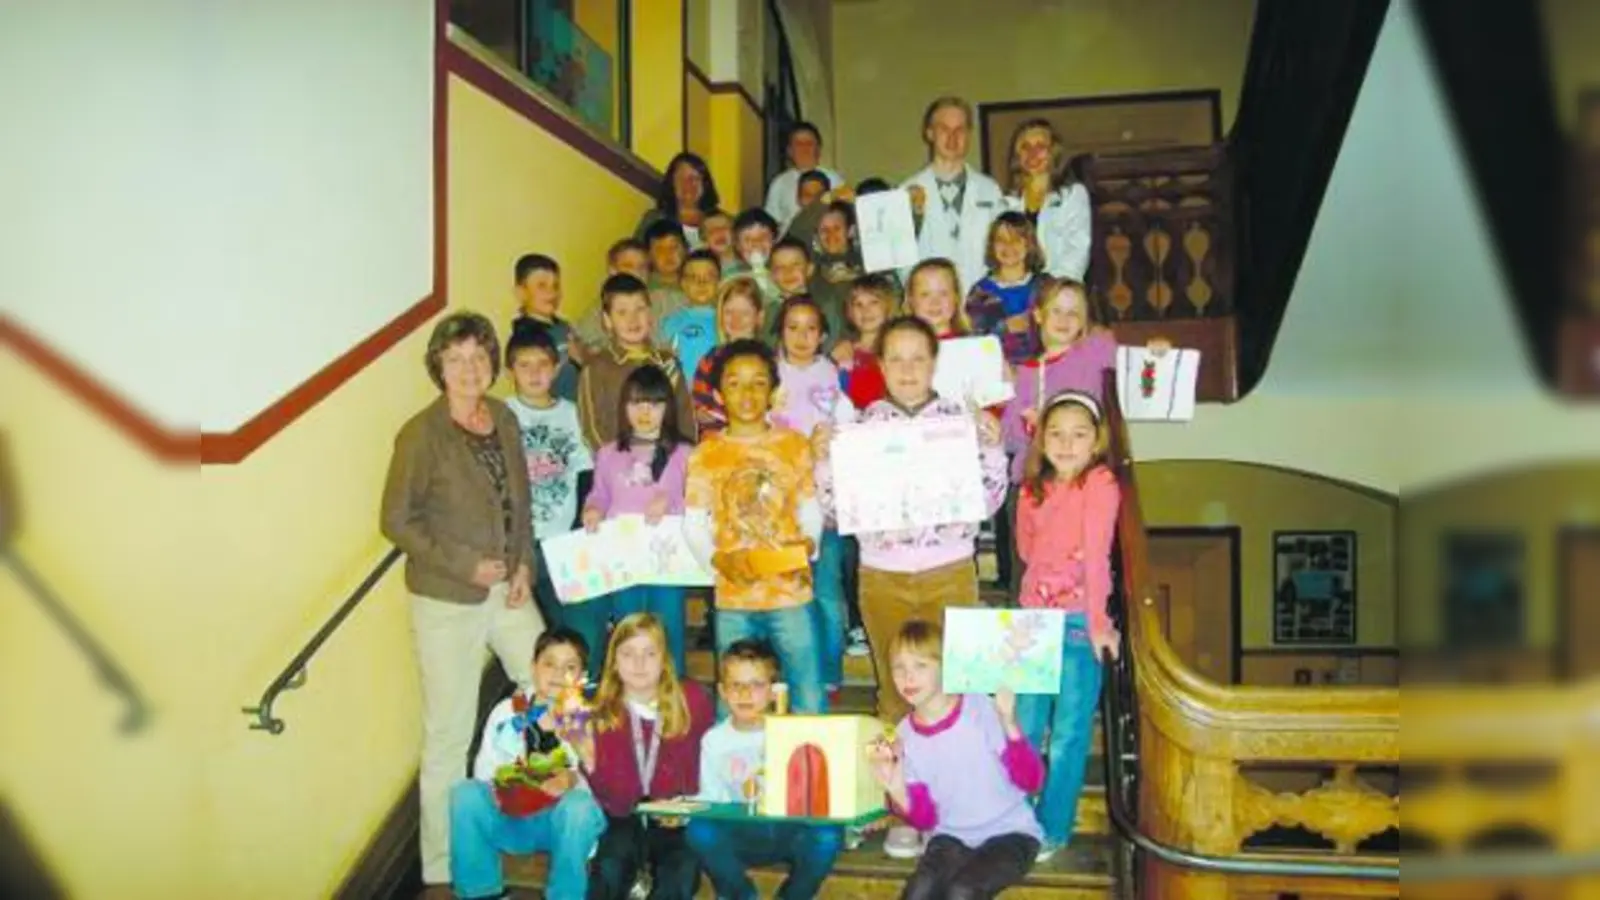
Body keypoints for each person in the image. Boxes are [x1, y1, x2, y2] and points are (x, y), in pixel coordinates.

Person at [379, 312, 543, 888]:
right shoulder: (420, 434)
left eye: (479, 357)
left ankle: (539, 812)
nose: (471, 369)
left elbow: (520, 501)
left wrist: (522, 562)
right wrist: (465, 563)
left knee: (553, 692)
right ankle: (444, 867)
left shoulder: (501, 416)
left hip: (509, 588)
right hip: (447, 598)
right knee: (448, 734)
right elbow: (396, 521)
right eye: (457, 359)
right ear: (439, 367)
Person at [813, 316, 1007, 725]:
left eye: (918, 358)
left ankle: (960, 782)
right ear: (880, 365)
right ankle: (898, 786)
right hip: (883, 577)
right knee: (897, 689)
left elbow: (987, 502)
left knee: (962, 685)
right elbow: (835, 510)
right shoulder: (859, 429)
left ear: (935, 363)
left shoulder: (960, 422)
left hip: (951, 571)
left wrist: (992, 449)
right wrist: (823, 460)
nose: (907, 369)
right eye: (896, 359)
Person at [684, 339, 827, 714]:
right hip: (734, 597)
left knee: (807, 692)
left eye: (758, 382)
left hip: (790, 593)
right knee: (734, 703)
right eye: (734, 383)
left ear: (773, 391)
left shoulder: (793, 444)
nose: (746, 393)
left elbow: (810, 508)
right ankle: (734, 771)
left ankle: (810, 770)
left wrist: (809, 545)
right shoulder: (706, 454)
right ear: (718, 393)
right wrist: (719, 561)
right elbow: (694, 525)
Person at [999, 278, 1167, 596]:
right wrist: (1027, 426)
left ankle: (1088, 629)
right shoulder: (1023, 374)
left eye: (1074, 313)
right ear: (1037, 315)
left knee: (1083, 568)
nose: (1064, 320)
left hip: (1081, 483)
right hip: (1033, 486)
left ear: (1085, 321)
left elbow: (1138, 369)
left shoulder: (1093, 351)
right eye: (1056, 311)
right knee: (1029, 574)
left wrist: (1154, 351)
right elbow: (1008, 439)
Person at [1013, 390, 1121, 861]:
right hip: (1032, 622)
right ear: (1040, 438)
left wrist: (1099, 623)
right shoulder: (1031, 488)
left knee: (1069, 737)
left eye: (1079, 434)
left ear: (1096, 440)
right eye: (1055, 432)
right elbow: (1024, 550)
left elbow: (1097, 557)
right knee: (1025, 726)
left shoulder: (1100, 483)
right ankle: (1016, 820)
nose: (1066, 443)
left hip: (1078, 624)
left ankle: (1052, 828)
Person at [866, 619, 1043, 888]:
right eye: (899, 668)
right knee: (917, 892)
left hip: (1010, 831)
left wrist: (1009, 724)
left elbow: (1031, 781)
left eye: (920, 666)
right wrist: (896, 788)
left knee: (962, 892)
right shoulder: (902, 736)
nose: (908, 678)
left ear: (944, 667)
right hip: (950, 836)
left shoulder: (979, 707)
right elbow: (926, 819)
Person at [448, 629, 606, 900]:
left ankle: (565, 895)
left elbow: (602, 788)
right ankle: (481, 892)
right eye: (549, 663)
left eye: (570, 667)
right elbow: (483, 772)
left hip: (559, 824)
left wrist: (571, 778)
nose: (558, 674)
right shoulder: (507, 712)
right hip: (510, 815)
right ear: (533, 668)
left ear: (581, 677)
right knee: (465, 794)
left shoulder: (588, 719)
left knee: (579, 808)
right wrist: (506, 785)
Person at [684, 639, 845, 900]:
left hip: (787, 831)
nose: (745, 694)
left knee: (828, 835)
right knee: (698, 830)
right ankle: (740, 894)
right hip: (741, 833)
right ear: (722, 692)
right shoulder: (714, 740)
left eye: (756, 685)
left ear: (774, 691)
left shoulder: (795, 732)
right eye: (736, 685)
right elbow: (711, 798)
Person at [570, 365, 693, 681]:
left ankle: (671, 703)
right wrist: (593, 511)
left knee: (667, 632)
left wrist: (672, 502)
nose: (644, 412)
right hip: (623, 561)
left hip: (667, 561)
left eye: (654, 403)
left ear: (668, 407)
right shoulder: (609, 453)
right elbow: (599, 495)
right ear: (624, 406)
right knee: (628, 630)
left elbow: (696, 503)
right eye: (636, 403)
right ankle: (629, 700)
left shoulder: (684, 453)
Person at [578, 613, 714, 900]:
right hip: (623, 814)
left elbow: (705, 768)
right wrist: (590, 762)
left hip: (675, 817)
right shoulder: (602, 712)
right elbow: (615, 801)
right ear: (613, 661)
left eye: (649, 653)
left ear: (664, 659)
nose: (639, 664)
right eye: (628, 654)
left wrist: (685, 807)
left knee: (681, 871)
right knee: (610, 867)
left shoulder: (692, 699)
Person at [770, 297, 854, 705]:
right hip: (779, 510)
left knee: (825, 593)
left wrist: (832, 441)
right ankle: (793, 673)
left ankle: (830, 673)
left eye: (810, 328)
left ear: (823, 335)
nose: (801, 337)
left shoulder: (836, 376)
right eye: (792, 327)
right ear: (780, 332)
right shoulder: (769, 377)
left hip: (825, 506)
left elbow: (855, 430)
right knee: (788, 595)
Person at [505, 326, 593, 630]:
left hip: (562, 538)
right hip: (520, 543)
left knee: (569, 625)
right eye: (524, 365)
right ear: (510, 371)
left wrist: (579, 526)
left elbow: (585, 471)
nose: (534, 373)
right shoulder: (503, 414)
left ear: (556, 368)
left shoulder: (572, 413)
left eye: (543, 364)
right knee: (530, 628)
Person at [576, 274, 696, 450]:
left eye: (640, 309)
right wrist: (619, 465)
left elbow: (685, 418)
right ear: (607, 320)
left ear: (650, 314)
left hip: (668, 465)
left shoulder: (668, 363)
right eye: (622, 312)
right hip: (619, 469)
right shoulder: (596, 368)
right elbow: (593, 429)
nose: (633, 319)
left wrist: (684, 459)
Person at [902, 96, 1004, 294]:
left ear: (969, 134)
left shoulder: (989, 190)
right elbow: (900, 261)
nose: (952, 137)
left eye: (960, 129)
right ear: (929, 133)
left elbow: (1001, 252)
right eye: (943, 129)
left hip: (981, 302)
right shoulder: (907, 191)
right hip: (929, 304)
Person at [1000, 118, 1092, 280]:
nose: (1032, 154)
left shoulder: (1072, 195)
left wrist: (1050, 292)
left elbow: (1077, 252)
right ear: (1017, 155)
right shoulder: (1005, 203)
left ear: (1053, 152)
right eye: (1025, 147)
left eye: (1040, 147)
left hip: (1059, 293)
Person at [965, 212, 1048, 364]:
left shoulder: (1046, 287)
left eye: (1016, 239)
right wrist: (1004, 327)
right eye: (1001, 240)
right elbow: (971, 340)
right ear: (992, 246)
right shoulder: (980, 292)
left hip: (1042, 371)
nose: (1008, 246)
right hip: (995, 372)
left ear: (1029, 244)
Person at [690, 277, 766, 436]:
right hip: (717, 443)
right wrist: (700, 413)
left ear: (759, 317)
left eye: (744, 313)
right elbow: (699, 404)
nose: (736, 319)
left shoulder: (769, 361)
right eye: (729, 312)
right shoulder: (709, 360)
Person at [509, 253, 582, 399]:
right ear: (521, 293)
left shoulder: (565, 326)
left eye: (555, 286)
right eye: (542, 286)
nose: (551, 292)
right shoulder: (525, 337)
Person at [831, 273, 896, 413]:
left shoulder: (899, 349)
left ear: (888, 306)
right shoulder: (843, 352)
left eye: (874, 302)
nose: (866, 310)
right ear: (849, 312)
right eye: (858, 304)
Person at [764, 121, 844, 230]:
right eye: (798, 144)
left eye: (809, 144)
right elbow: (771, 223)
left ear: (818, 149)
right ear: (789, 151)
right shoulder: (779, 183)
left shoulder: (834, 179)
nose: (804, 149)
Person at [575, 239, 652, 350]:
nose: (637, 273)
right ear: (612, 271)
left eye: (642, 267)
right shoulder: (594, 317)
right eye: (629, 266)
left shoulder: (667, 300)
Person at [636, 151, 723, 249]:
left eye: (694, 178)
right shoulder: (654, 220)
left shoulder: (722, 221)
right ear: (671, 183)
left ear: (705, 184)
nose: (688, 184)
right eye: (681, 178)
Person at [658, 248, 723, 377]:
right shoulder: (671, 322)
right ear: (683, 284)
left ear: (719, 282)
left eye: (709, 276)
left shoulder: (726, 320)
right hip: (682, 393)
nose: (701, 283)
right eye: (693, 277)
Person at [724, 208, 782, 302]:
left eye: (763, 237)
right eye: (747, 239)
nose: (756, 243)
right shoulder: (731, 277)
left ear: (775, 240)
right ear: (737, 245)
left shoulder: (782, 272)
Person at [643, 219, 691, 332]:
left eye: (673, 247)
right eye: (659, 249)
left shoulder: (700, 283)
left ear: (686, 249)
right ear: (648, 255)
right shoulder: (642, 288)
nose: (667, 254)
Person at [905, 258, 971, 339]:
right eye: (925, 295)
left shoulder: (972, 345)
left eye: (943, 294)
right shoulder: (903, 346)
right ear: (911, 300)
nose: (935, 302)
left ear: (956, 297)